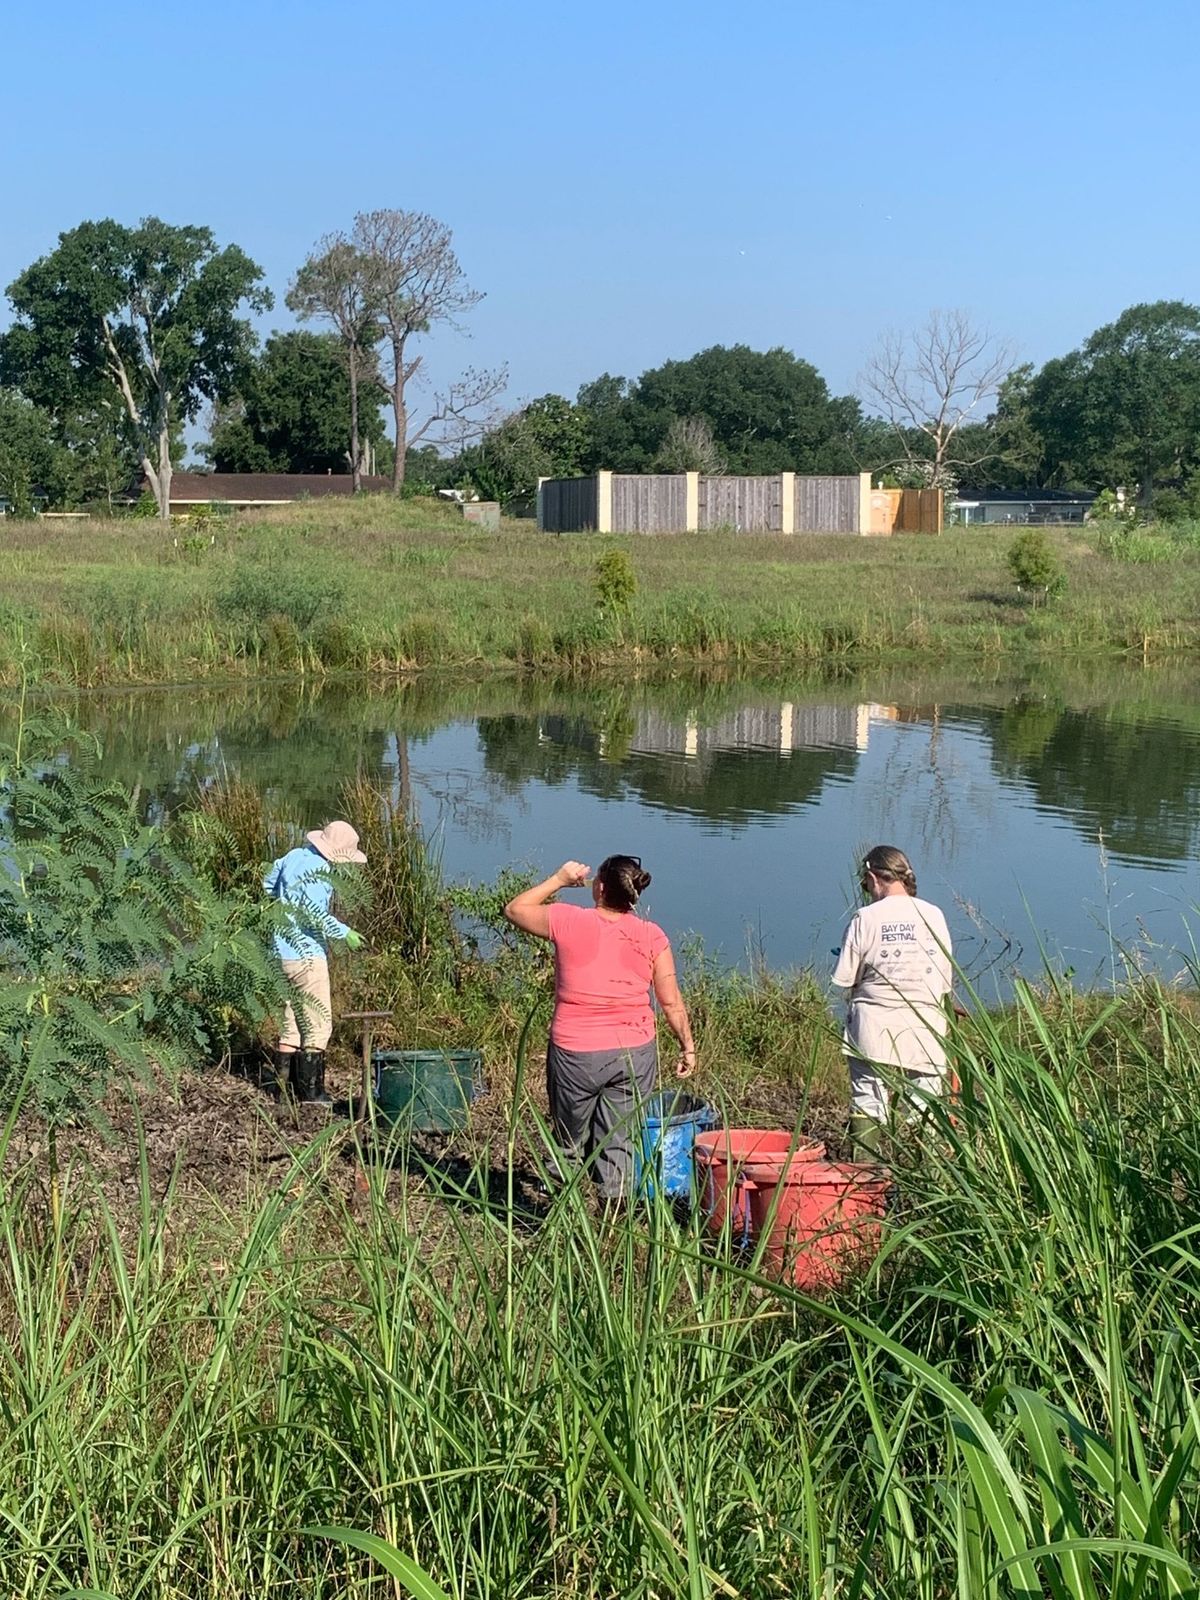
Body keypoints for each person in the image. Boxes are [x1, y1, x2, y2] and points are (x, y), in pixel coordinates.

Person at [503, 855, 696, 1202]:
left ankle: (563, 1216)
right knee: (619, 1142)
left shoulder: (567, 919)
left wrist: (559, 878)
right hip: (633, 1055)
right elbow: (671, 1002)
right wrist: (687, 1046)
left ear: (601, 888)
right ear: (633, 895)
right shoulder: (652, 936)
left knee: (567, 1142)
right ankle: (612, 1226)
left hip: (575, 1054)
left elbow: (516, 909)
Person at [831, 845, 953, 1161]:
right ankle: (930, 1186)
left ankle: (865, 1181)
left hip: (873, 1027)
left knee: (868, 1100)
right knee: (925, 1103)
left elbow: (846, 978)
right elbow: (943, 981)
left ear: (873, 877)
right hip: (926, 1027)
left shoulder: (865, 918)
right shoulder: (934, 915)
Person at [263, 820, 367, 1105]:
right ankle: (311, 1092)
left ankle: (281, 1092)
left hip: (279, 953)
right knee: (319, 1024)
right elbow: (316, 917)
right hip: (306, 954)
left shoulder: (293, 856)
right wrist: (346, 933)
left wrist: (284, 906)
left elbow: (268, 884)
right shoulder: (321, 872)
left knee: (290, 1022)